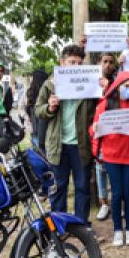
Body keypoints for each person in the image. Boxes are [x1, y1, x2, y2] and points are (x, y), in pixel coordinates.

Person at [35, 45, 96, 224]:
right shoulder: (50, 84)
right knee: (59, 187)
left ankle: (81, 225)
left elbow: (99, 107)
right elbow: (38, 110)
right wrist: (50, 107)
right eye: (71, 62)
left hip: (81, 145)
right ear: (62, 63)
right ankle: (59, 226)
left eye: (79, 62)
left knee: (82, 187)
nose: (76, 66)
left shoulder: (90, 83)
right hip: (57, 145)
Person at [90, 71, 129, 246]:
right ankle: (117, 230)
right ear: (117, 87)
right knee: (116, 193)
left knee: (128, 193)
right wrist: (94, 128)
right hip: (111, 155)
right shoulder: (105, 105)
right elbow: (93, 131)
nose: (128, 89)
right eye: (125, 86)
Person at [94, 52, 118, 221]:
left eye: (111, 62)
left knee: (114, 170)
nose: (108, 65)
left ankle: (117, 202)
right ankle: (104, 203)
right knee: (99, 169)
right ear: (99, 63)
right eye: (105, 61)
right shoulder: (91, 79)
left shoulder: (118, 82)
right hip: (96, 130)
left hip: (115, 131)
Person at [26, 69, 49, 152]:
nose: (30, 80)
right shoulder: (45, 97)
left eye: (32, 78)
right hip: (43, 138)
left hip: (35, 134)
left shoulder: (31, 95)